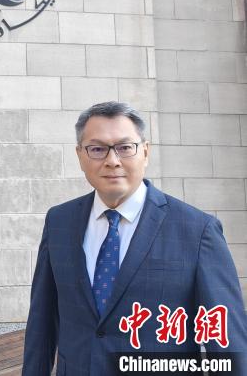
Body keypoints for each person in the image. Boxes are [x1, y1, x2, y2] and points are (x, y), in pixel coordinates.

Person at [22, 101, 247, 375]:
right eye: (97, 149)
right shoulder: (59, 221)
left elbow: (226, 342)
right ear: (80, 155)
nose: (112, 160)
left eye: (125, 147)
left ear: (145, 152)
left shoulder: (198, 231)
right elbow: (42, 323)